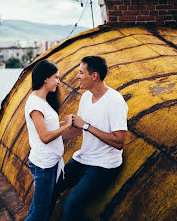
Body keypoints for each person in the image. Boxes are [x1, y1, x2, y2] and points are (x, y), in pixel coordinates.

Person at [52, 56, 128, 221]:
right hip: (83, 158)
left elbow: (119, 142)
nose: (77, 76)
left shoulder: (115, 101)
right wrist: (50, 134)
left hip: (103, 165)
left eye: (81, 72)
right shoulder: (86, 97)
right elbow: (78, 130)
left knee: (72, 204)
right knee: (50, 187)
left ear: (94, 76)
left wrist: (86, 126)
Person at [24, 59, 73, 221]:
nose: (58, 82)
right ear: (46, 78)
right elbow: (44, 137)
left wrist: (67, 124)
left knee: (38, 210)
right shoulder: (35, 105)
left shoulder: (41, 100)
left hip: (49, 163)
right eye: (56, 78)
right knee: (39, 214)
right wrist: (66, 126)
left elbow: (48, 128)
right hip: (44, 166)